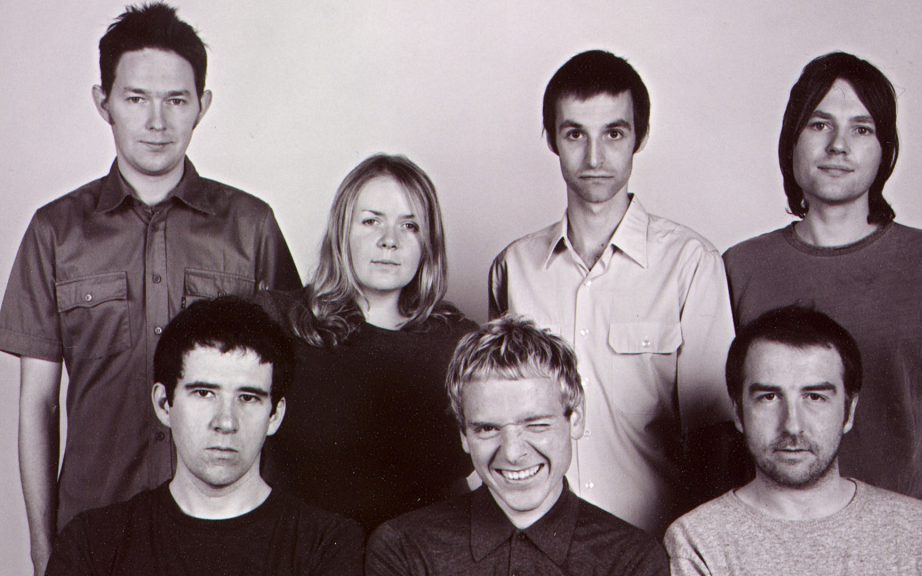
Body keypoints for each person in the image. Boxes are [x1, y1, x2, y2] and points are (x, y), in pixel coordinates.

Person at [0, 4, 301, 573]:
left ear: (202, 106)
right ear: (104, 102)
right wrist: (42, 545)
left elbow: (279, 388)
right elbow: (37, 404)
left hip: (227, 531)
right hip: (95, 527)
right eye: (136, 98)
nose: (157, 122)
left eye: (176, 100)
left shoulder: (252, 226)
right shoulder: (54, 232)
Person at [723, 51, 922, 562]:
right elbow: (725, 421)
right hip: (769, 548)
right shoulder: (739, 267)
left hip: (903, 545)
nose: (838, 145)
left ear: (885, 150)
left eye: (861, 129)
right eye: (819, 124)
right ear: (791, 140)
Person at [488, 49, 735, 535]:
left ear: (639, 136)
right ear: (552, 139)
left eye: (614, 133)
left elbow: (716, 437)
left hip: (654, 543)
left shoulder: (690, 264)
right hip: (539, 542)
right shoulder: (513, 268)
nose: (595, 158)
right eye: (575, 134)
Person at [44, 297, 363, 575]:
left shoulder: (325, 544)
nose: (226, 421)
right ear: (164, 404)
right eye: (204, 393)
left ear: (275, 415)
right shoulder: (92, 543)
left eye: (248, 397)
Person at [256, 153, 477, 531]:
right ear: (342, 231)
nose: (389, 241)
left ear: (429, 243)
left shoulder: (461, 343)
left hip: (420, 554)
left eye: (409, 226)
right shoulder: (281, 320)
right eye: (371, 221)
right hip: (302, 550)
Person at [664, 306, 922, 575]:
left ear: (849, 410)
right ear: (738, 412)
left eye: (814, 397)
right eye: (769, 397)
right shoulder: (696, 541)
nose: (792, 425)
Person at [366, 316, 669, 575]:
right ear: (463, 435)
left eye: (536, 425)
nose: (512, 453)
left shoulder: (632, 559)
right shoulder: (404, 548)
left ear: (575, 419)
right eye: (487, 428)